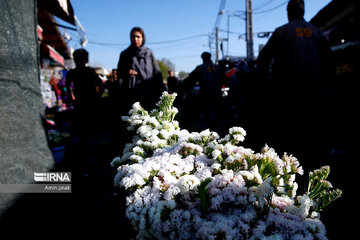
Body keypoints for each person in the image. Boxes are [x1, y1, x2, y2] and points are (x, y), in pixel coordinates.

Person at [256, 0, 332, 173]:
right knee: (312, 129)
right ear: (303, 11)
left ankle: (291, 170)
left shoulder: (281, 32)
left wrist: (265, 86)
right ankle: (312, 166)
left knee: (288, 133)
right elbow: (329, 62)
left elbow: (263, 60)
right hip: (314, 91)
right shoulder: (316, 33)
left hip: (286, 91)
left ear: (288, 12)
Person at [65, 48, 104, 173]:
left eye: (82, 59)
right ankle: (84, 157)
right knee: (82, 133)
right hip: (80, 106)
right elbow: (67, 85)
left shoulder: (90, 72)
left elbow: (101, 84)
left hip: (92, 106)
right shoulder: (72, 73)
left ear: (86, 60)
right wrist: (71, 95)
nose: (80, 62)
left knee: (93, 132)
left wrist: (97, 96)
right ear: (75, 60)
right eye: (78, 59)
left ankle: (94, 157)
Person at [117, 27, 165, 112]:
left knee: (149, 118)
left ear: (143, 38)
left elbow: (156, 72)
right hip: (131, 92)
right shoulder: (125, 54)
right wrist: (127, 72)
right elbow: (119, 72)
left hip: (148, 91)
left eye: (138, 37)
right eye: (133, 37)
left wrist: (162, 90)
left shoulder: (148, 53)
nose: (135, 39)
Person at [184, 52, 222, 131]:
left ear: (203, 58)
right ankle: (218, 130)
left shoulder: (200, 68)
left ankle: (210, 130)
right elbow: (224, 80)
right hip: (217, 94)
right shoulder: (218, 68)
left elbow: (190, 79)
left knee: (208, 114)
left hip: (206, 94)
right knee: (217, 113)